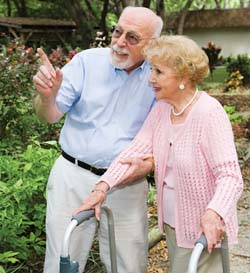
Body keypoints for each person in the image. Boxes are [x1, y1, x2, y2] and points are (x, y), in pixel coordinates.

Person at [74, 35, 244, 273]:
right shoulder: (163, 110)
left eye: (159, 72)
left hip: (203, 229)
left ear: (183, 76)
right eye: (151, 70)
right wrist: (101, 187)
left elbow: (230, 177)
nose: (151, 79)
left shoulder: (209, 114)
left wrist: (213, 214)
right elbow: (134, 151)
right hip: (175, 226)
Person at [33, 6, 163, 273]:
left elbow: (164, 134)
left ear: (152, 45)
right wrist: (47, 95)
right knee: (62, 260)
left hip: (127, 183)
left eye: (132, 37)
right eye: (118, 31)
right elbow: (49, 116)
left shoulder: (158, 76)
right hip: (74, 176)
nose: (119, 42)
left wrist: (149, 165)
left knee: (129, 264)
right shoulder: (86, 62)